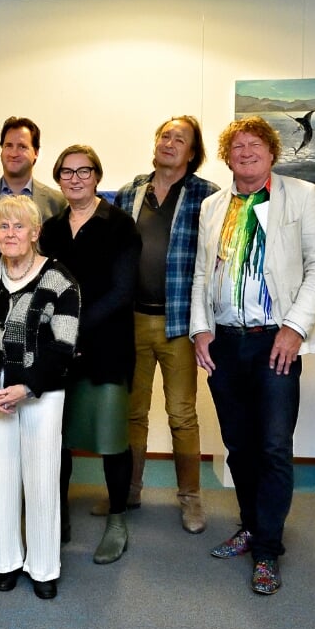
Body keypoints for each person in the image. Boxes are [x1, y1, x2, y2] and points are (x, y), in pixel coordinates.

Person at [190, 116, 315, 595]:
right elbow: (199, 276)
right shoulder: (213, 206)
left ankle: (268, 550)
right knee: (239, 444)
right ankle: (251, 526)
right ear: (227, 156)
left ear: (272, 153)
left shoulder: (301, 196)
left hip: (277, 340)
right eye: (237, 145)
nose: (246, 151)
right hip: (226, 341)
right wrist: (201, 331)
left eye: (255, 144)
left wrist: (295, 329)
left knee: (273, 445)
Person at [0, 195, 80, 600]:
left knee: (42, 477)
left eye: (19, 226)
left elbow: (63, 345)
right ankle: (6, 559)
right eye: (4, 227)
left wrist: (26, 386)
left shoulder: (60, 280)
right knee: (3, 475)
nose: (11, 234)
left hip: (41, 392)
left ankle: (44, 566)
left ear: (35, 232)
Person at [112, 116, 219, 534]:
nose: (169, 143)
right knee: (133, 413)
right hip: (132, 320)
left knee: (181, 415)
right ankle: (130, 490)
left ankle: (191, 499)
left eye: (180, 139)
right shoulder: (129, 192)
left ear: (192, 152)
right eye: (164, 135)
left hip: (177, 324)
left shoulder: (207, 197)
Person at [40, 145, 141, 565]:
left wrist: (73, 328)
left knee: (112, 438)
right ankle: (57, 516)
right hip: (58, 352)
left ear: (97, 176)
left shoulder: (120, 225)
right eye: (67, 172)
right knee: (56, 439)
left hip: (107, 346)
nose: (75, 178)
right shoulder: (50, 228)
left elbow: (122, 292)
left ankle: (117, 520)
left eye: (84, 171)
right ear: (59, 178)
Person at [0, 117, 66, 237]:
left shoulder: (57, 202)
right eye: (8, 146)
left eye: (22, 146)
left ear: (36, 153)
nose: (14, 153)